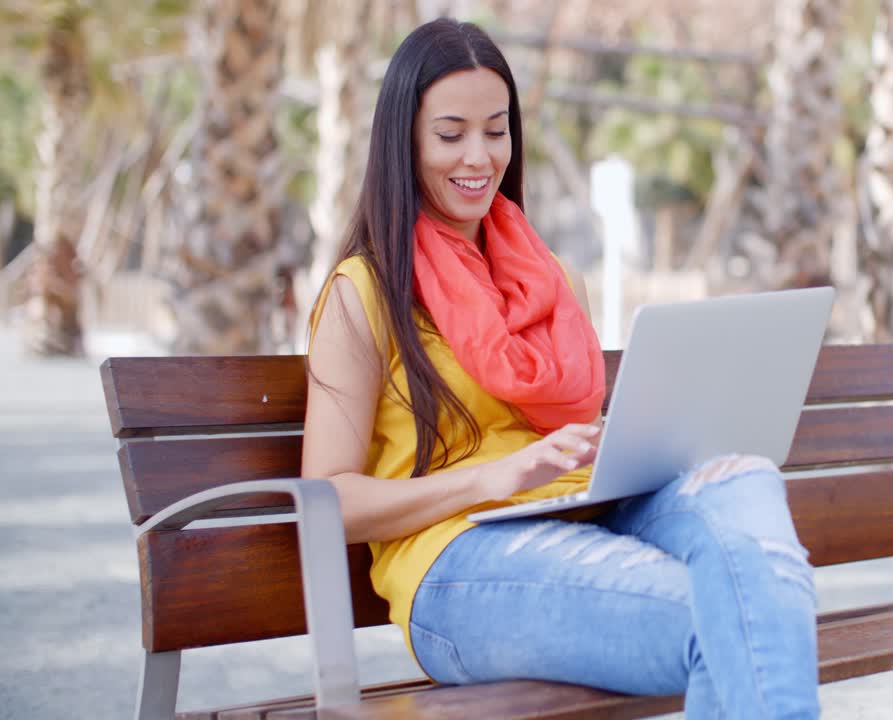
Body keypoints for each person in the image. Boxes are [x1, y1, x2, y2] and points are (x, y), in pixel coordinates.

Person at [301, 18, 819, 720]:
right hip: (459, 567)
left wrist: (639, 441)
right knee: (742, 619)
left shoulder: (552, 281)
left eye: (497, 129)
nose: (479, 156)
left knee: (748, 484)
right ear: (404, 141)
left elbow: (570, 430)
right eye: (450, 134)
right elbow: (326, 501)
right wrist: (489, 477)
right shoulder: (364, 293)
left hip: (585, 513)